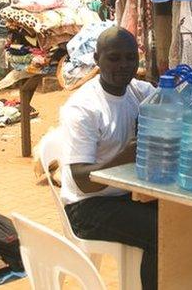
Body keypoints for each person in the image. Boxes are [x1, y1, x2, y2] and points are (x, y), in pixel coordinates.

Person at [60, 27, 158, 290]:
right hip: (87, 207)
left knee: (191, 218)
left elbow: (172, 107)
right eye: (114, 58)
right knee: (161, 232)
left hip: (126, 197)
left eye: (130, 58)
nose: (123, 65)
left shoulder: (140, 92)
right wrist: (125, 156)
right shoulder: (83, 107)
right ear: (96, 59)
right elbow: (82, 181)